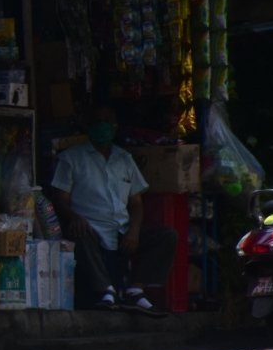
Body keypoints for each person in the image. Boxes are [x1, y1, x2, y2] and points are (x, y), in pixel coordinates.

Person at [50, 104, 177, 314]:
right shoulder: (71, 159)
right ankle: (106, 291)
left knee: (166, 236)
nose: (102, 126)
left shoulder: (125, 159)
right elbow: (60, 200)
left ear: (115, 126)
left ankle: (136, 291)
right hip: (90, 228)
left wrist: (134, 230)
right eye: (96, 122)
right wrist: (74, 217)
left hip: (121, 229)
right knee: (78, 234)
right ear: (87, 126)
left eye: (107, 121)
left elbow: (136, 204)